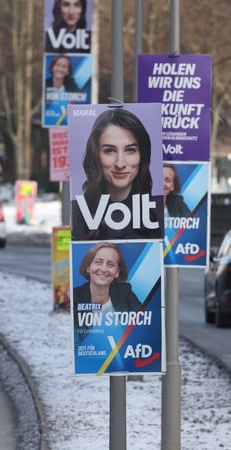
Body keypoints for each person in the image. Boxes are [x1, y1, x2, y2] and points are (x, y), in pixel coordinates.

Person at [71, 108, 163, 240]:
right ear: (95, 155)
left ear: (142, 155)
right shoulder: (77, 212)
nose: (120, 164)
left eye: (130, 150)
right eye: (109, 150)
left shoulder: (160, 209)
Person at [72, 242, 140, 340]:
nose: (104, 269)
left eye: (110, 264)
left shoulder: (125, 293)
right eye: (98, 262)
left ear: (117, 272)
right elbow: (75, 342)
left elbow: (141, 326)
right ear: (88, 267)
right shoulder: (75, 297)